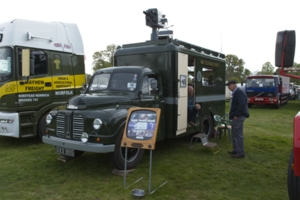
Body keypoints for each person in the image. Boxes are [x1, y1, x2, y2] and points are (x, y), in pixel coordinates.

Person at [226, 80, 249, 158]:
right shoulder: (236, 92)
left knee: (238, 134)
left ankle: (240, 152)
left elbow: (241, 104)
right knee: (235, 133)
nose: (228, 87)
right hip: (236, 116)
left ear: (234, 85)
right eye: (228, 86)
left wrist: (237, 115)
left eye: (229, 85)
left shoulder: (239, 92)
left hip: (238, 116)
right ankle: (236, 150)